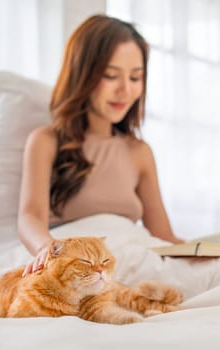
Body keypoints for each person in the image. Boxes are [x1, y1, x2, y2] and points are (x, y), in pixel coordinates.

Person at [18, 15, 184, 277]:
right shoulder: (46, 141)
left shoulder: (139, 152)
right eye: (111, 75)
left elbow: (164, 238)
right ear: (82, 75)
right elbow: (30, 218)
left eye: (135, 77)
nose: (125, 90)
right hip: (77, 266)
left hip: (135, 261)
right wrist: (48, 250)